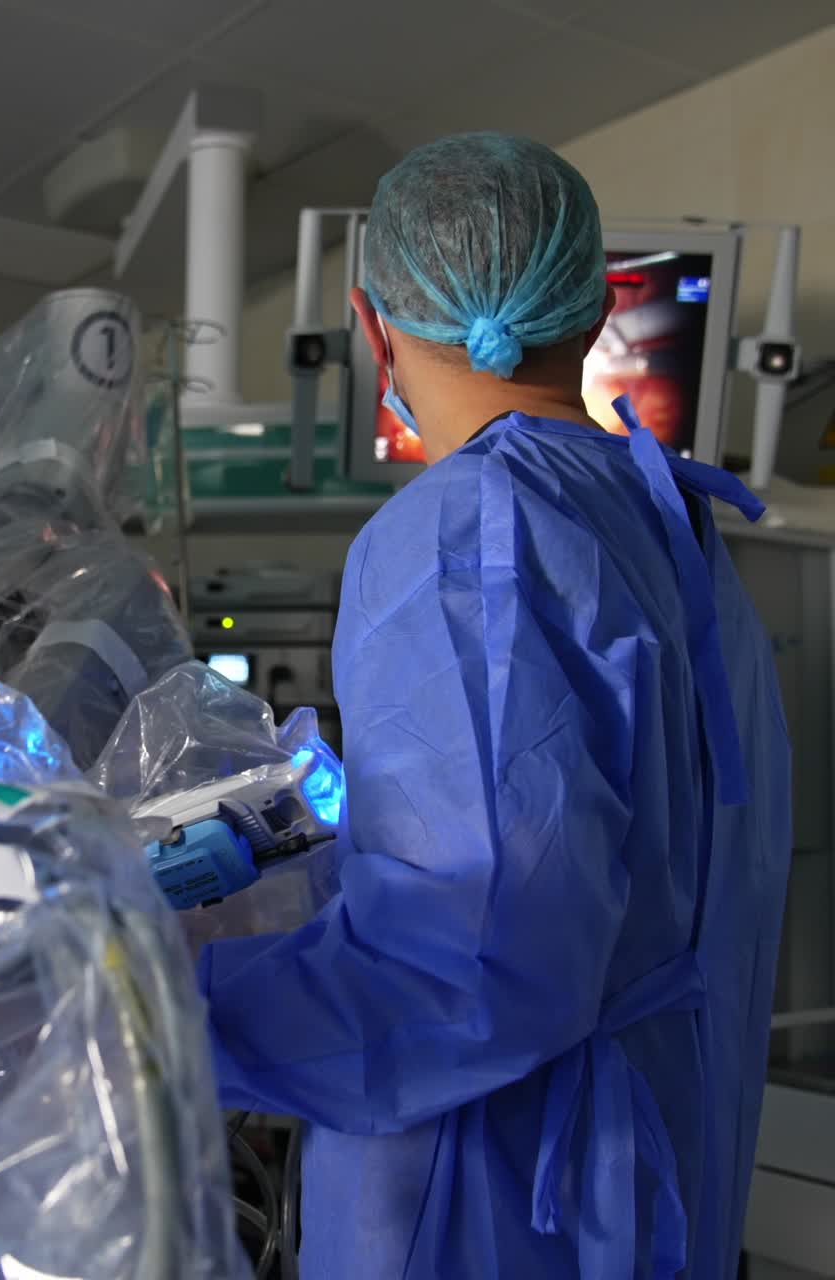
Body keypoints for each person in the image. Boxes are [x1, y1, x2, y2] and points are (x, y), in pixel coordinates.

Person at [197, 133, 791, 1278]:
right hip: (655, 1163)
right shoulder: (674, 526)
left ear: (375, 330)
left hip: (493, 1202)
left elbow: (464, 966)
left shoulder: (467, 532)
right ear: (595, 307)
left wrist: (144, 1007)